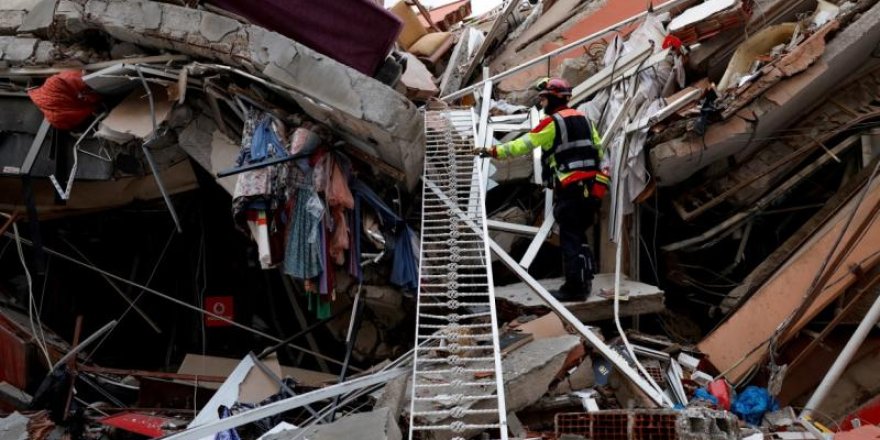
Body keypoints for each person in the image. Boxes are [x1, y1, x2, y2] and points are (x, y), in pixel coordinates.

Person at [476, 77, 610, 301]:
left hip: (571, 189)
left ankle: (574, 289)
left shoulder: (552, 123)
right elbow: (599, 151)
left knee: (569, 237)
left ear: (555, 98)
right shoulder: (585, 119)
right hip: (592, 189)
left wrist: (493, 152)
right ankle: (585, 281)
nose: (541, 103)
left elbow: (524, 144)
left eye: (544, 98)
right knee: (579, 236)